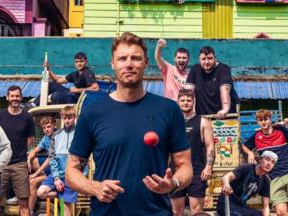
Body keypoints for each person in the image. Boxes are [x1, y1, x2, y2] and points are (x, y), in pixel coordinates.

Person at [65, 32, 193, 216]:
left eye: (135, 58)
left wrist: (173, 184)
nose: (129, 64)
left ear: (146, 63)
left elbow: (185, 166)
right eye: (122, 58)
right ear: (113, 63)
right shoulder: (92, 113)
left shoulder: (168, 109)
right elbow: (71, 171)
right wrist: (95, 188)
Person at [242, 109, 288, 216]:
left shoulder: (281, 130)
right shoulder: (256, 137)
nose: (263, 122)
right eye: (260, 120)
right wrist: (250, 153)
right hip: (274, 178)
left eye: (266, 119)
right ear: (257, 122)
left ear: (270, 120)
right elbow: (244, 146)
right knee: (281, 212)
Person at [170, 89, 214, 216]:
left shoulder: (203, 121)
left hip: (197, 171)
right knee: (176, 211)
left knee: (197, 211)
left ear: (193, 102)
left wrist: (209, 166)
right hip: (176, 171)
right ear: (178, 102)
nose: (185, 103)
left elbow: (210, 145)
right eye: (182, 100)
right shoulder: (172, 122)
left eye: (188, 100)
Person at [0, 85, 36, 216]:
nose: (14, 98)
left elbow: (30, 139)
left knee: (24, 203)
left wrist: (21, 152)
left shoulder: (27, 117)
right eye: (12, 96)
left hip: (20, 164)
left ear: (21, 97)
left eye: (17, 96)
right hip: (1, 164)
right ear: (7, 97)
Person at [37, 106, 78, 216]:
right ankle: (62, 194)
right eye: (64, 118)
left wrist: (78, 174)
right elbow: (52, 157)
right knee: (40, 192)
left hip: (71, 175)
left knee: (65, 206)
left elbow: (83, 158)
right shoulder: (57, 135)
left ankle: (64, 196)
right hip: (58, 174)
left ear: (74, 117)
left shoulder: (79, 134)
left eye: (70, 117)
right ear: (62, 118)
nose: (67, 120)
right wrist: (56, 178)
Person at [216, 151, 278, 216]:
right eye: (267, 159)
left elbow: (266, 207)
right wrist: (226, 184)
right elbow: (226, 177)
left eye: (272, 162)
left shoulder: (265, 181)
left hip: (241, 206)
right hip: (226, 204)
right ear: (260, 160)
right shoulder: (247, 168)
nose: (269, 164)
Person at [185, 46, 238, 118]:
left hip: (224, 117)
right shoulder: (195, 69)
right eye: (203, 59)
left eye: (210, 58)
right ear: (199, 60)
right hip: (203, 117)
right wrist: (186, 110)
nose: (206, 62)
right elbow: (188, 91)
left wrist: (225, 109)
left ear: (215, 58)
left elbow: (225, 89)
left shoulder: (223, 69)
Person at [30, 52, 99, 107]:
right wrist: (48, 70)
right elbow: (58, 80)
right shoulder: (75, 74)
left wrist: (77, 90)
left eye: (81, 61)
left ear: (86, 62)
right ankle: (34, 104)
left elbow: (95, 88)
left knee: (56, 95)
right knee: (52, 84)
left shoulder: (87, 72)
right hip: (71, 94)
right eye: (77, 62)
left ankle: (56, 116)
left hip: (78, 100)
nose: (79, 64)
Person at [28, 116, 56, 214]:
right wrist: (28, 159)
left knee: (32, 181)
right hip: (50, 168)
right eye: (44, 128)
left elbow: (50, 159)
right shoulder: (45, 138)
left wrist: (36, 174)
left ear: (54, 125)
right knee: (27, 167)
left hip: (56, 170)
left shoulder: (58, 137)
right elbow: (34, 151)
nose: (46, 129)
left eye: (49, 127)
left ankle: (30, 212)